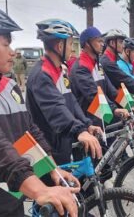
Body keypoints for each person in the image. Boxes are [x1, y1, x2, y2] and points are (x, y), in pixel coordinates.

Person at [0, 4, 79, 216]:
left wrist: (52, 169)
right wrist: (39, 189)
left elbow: (30, 131)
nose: (13, 52)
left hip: (13, 199)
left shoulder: (9, 86)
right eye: (6, 45)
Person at [26, 19, 103, 166]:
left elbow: (72, 102)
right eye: (70, 44)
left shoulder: (59, 70)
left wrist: (86, 125)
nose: (72, 50)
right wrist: (79, 130)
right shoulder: (42, 75)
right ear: (60, 46)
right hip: (49, 148)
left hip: (63, 140)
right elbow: (56, 108)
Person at [70, 26, 129, 127]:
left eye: (102, 41)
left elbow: (111, 90)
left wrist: (128, 105)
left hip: (102, 115)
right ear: (87, 44)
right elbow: (93, 94)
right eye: (99, 41)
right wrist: (114, 109)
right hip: (90, 120)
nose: (102, 44)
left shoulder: (98, 64)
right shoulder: (81, 67)